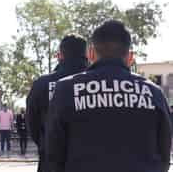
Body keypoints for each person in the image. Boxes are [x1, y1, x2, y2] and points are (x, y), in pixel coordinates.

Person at [47, 20, 172, 172]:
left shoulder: (65, 90)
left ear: (91, 53)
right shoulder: (154, 93)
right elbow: (165, 154)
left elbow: (53, 155)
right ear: (130, 57)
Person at [26, 34, 88, 172]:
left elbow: (32, 123)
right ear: (87, 55)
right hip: (89, 161)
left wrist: (45, 143)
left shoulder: (42, 84)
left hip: (51, 162)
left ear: (60, 55)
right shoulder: (97, 84)